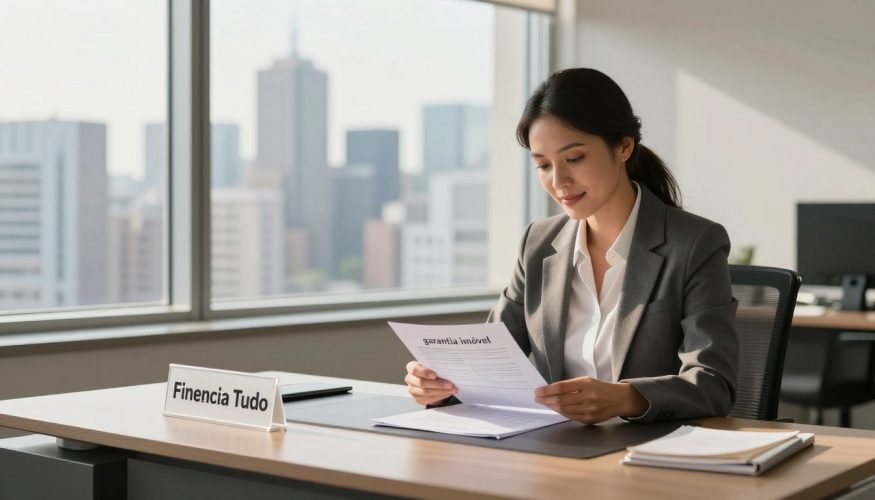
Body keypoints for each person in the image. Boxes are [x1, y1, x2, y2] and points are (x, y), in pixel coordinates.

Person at [404, 68, 738, 424]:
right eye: (543, 165)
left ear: (624, 147)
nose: (558, 181)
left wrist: (627, 398)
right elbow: (491, 363)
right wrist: (442, 386)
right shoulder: (538, 243)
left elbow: (714, 384)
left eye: (574, 159)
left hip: (650, 454)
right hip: (558, 450)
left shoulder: (694, 244)